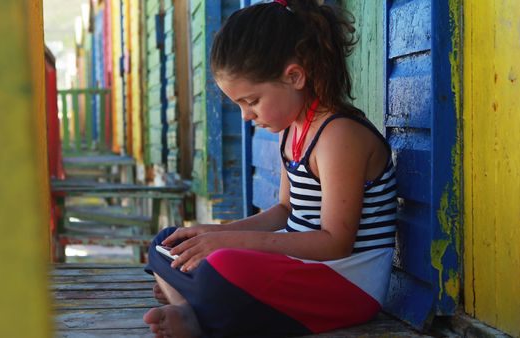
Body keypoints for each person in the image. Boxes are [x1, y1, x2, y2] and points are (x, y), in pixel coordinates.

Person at [143, 0, 397, 336]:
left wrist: (230, 245)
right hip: (300, 271)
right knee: (168, 242)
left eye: (252, 101)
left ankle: (194, 308)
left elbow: (335, 244)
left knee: (223, 266)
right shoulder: (293, 131)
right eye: (239, 105)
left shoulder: (339, 136)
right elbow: (284, 210)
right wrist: (214, 233)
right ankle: (192, 309)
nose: (247, 115)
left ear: (294, 77)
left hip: (345, 285)